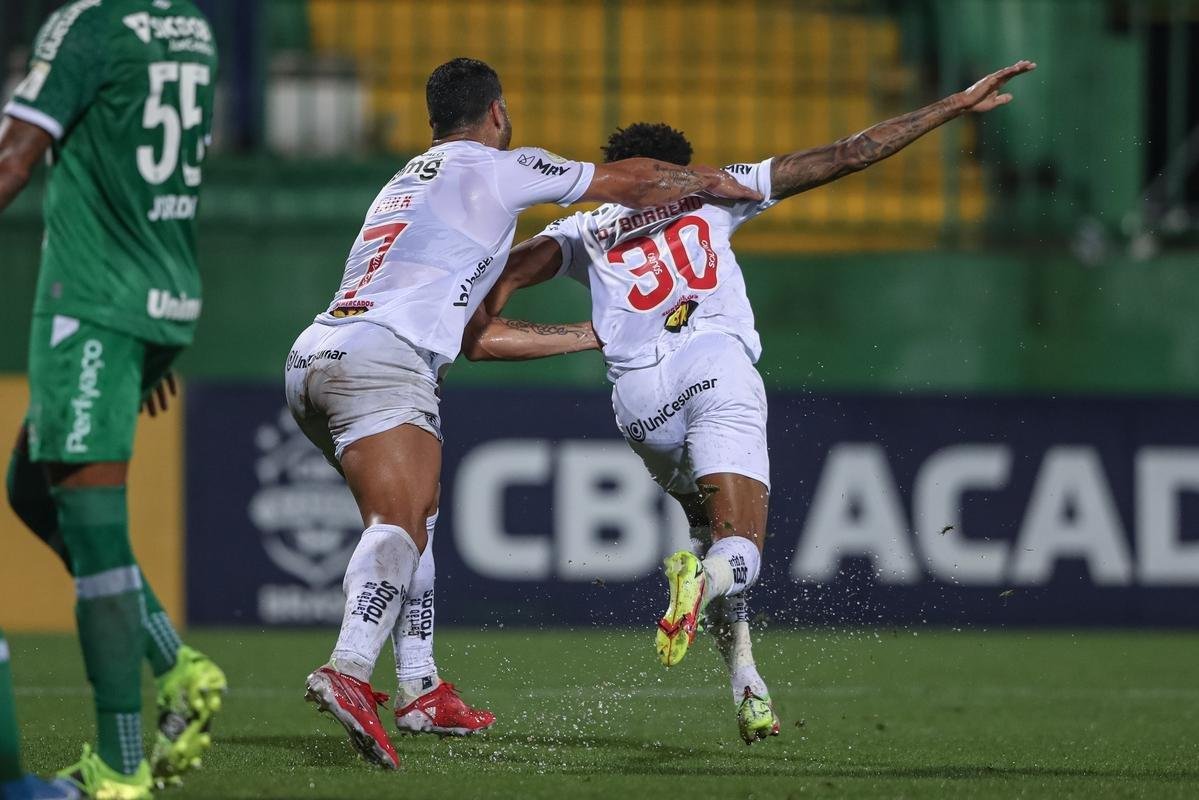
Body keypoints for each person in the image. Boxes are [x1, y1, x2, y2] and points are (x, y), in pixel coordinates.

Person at [459, 60, 1037, 743]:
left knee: (705, 534)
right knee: (737, 548)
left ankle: (748, 687)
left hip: (638, 401)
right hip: (713, 364)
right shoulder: (713, 190)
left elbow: (485, 308)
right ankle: (699, 588)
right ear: (678, 167)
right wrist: (950, 108)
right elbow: (851, 154)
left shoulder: (581, 230)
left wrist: (585, 333)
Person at [283, 56, 762, 770]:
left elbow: (475, 336)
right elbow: (624, 183)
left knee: (421, 515)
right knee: (398, 524)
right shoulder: (497, 166)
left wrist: (592, 334)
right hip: (385, 360)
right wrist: (710, 182)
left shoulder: (403, 180)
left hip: (315, 356)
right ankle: (348, 672)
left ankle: (418, 686)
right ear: (497, 113)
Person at [0, 2, 226, 796]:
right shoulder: (192, 26)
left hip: (92, 302)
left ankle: (119, 765)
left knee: (95, 541)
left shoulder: (86, 24)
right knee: (30, 486)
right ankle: (179, 664)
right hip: (158, 294)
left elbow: (15, 158)